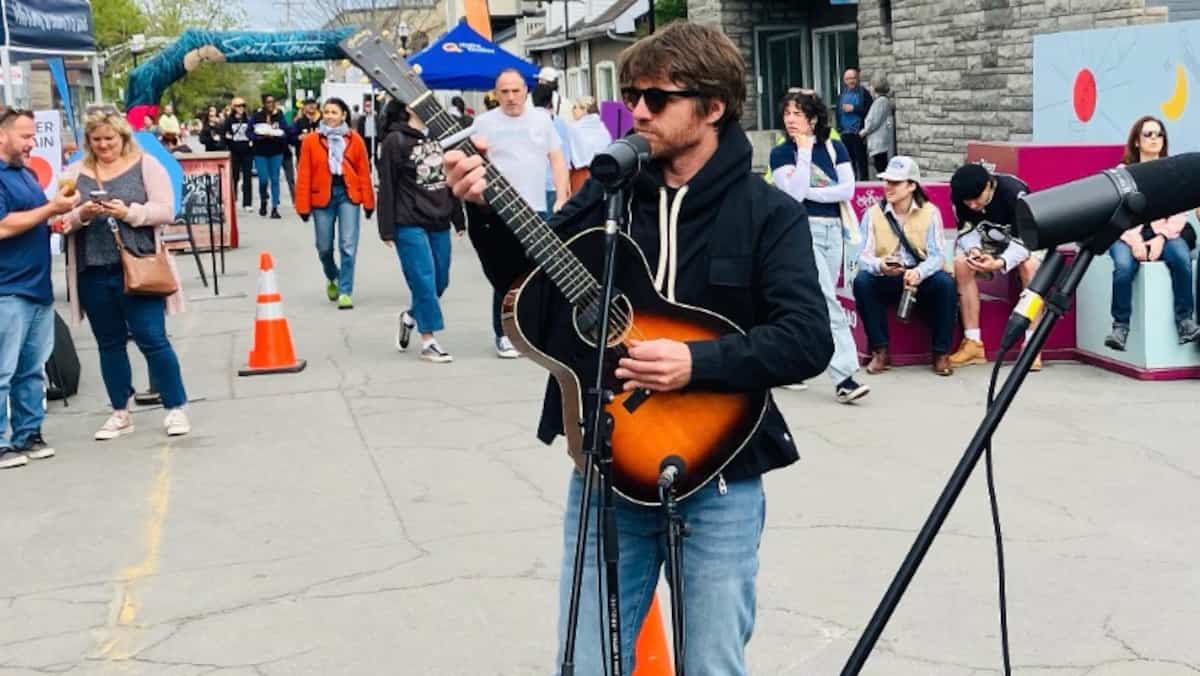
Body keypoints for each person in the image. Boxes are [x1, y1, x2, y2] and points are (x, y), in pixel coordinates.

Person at [445, 21, 832, 672]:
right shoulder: (609, 191)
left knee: (711, 665)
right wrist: (486, 209)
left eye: (658, 98)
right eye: (631, 97)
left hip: (722, 477)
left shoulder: (769, 214)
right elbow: (529, 287)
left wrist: (697, 362)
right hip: (605, 465)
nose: (639, 113)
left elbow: (807, 339)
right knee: (588, 661)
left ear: (713, 107)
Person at [59, 110, 192, 441]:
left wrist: (129, 212)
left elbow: (166, 209)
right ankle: (120, 410)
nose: (104, 145)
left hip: (139, 265)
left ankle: (175, 406)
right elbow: (60, 220)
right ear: (88, 142)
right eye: (97, 140)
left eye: (110, 139)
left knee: (153, 338)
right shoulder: (75, 172)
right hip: (93, 269)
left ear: (123, 138)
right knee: (109, 343)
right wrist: (82, 215)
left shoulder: (146, 165)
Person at [769, 90, 869, 402]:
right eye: (787, 113)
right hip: (802, 231)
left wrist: (815, 190)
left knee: (804, 302)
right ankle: (845, 378)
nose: (791, 120)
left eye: (797, 114)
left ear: (813, 118)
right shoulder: (781, 153)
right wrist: (803, 153)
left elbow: (847, 190)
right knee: (828, 301)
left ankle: (785, 363)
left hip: (834, 229)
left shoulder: (834, 146)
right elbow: (796, 194)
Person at [470, 67, 569, 359]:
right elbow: (475, 163)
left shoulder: (541, 119)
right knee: (506, 273)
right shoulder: (484, 123)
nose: (511, 97)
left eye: (516, 91)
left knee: (540, 273)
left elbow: (557, 159)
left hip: (537, 206)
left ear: (526, 91)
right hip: (501, 210)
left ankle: (536, 330)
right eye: (505, 92)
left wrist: (562, 195)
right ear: (496, 94)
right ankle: (503, 333)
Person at [0, 108, 78, 469]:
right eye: (25, 136)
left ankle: (28, 433)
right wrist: (49, 209)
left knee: (31, 369)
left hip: (37, 287)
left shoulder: (27, 174)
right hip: (8, 288)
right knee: (3, 369)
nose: (33, 143)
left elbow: (32, 218)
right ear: (2, 136)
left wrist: (54, 221)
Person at [852, 157, 958, 375]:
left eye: (895, 183)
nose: (888, 187)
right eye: (886, 181)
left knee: (945, 284)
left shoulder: (930, 212)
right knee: (862, 281)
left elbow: (938, 255)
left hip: (919, 276)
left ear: (911, 186)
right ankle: (880, 351)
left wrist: (919, 272)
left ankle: (941, 353)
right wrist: (881, 265)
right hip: (888, 276)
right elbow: (862, 257)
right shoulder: (872, 214)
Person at [377, 100, 465, 363]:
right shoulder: (395, 140)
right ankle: (429, 340)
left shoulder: (442, 136)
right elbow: (387, 184)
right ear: (409, 108)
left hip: (439, 216)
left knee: (440, 280)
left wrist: (458, 218)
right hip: (408, 220)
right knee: (423, 279)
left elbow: (451, 178)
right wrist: (387, 228)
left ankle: (411, 316)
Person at [1104, 116, 1200, 350]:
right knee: (1124, 267)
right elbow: (1114, 213)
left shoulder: (1172, 169)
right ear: (1136, 141)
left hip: (1164, 232)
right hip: (1126, 235)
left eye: (1159, 134)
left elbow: (1180, 213)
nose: (1155, 139)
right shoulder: (1122, 173)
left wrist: (1162, 238)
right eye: (1148, 134)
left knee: (1180, 258)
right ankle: (1120, 327)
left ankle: (1185, 322)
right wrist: (1134, 240)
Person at [948, 163, 1042, 370]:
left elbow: (1025, 241)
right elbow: (967, 230)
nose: (972, 205)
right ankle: (973, 342)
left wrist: (999, 263)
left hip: (1029, 238)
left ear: (990, 186)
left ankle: (1032, 345)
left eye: (977, 199)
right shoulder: (959, 196)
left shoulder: (1015, 194)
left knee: (1030, 267)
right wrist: (974, 251)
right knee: (961, 264)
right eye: (967, 201)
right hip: (990, 241)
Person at [295, 97, 375, 310]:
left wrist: (368, 202)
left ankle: (346, 290)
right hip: (321, 197)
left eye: (334, 112)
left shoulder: (354, 139)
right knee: (324, 247)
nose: (330, 116)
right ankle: (332, 276)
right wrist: (302, 206)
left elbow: (364, 172)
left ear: (344, 115)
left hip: (348, 195)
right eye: (327, 112)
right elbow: (304, 174)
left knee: (348, 245)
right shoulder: (312, 140)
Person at [249, 93, 290, 219]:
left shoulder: (279, 116)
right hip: (260, 152)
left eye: (273, 102)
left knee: (275, 179)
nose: (271, 104)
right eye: (268, 102)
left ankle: (274, 208)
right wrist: (259, 136)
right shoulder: (257, 116)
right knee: (263, 179)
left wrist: (278, 134)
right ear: (264, 103)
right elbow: (249, 132)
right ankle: (263, 201)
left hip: (276, 151)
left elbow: (286, 131)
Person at [533, 83, 572, 214]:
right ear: (551, 99)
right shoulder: (559, 123)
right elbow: (565, 156)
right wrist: (567, 187)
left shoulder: (527, 122)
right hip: (555, 184)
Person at [565, 95, 613, 194]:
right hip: (602, 173)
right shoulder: (602, 127)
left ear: (585, 110)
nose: (572, 110)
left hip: (580, 175)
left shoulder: (574, 129)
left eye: (575, 107)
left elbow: (568, 156)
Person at [836, 67, 873, 181]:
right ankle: (850, 183)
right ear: (844, 81)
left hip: (858, 133)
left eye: (853, 78)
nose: (850, 81)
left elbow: (870, 111)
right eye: (848, 79)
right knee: (848, 162)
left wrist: (854, 108)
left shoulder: (864, 93)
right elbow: (838, 112)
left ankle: (863, 184)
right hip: (845, 133)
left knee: (861, 162)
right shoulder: (842, 94)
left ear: (857, 79)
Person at [224, 97, 254, 212]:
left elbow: (252, 132)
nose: (241, 108)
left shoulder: (248, 119)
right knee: (234, 177)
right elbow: (224, 134)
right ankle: (233, 200)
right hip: (234, 151)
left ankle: (247, 203)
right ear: (233, 107)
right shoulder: (229, 120)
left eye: (242, 106)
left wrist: (252, 139)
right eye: (238, 106)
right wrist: (228, 139)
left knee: (247, 177)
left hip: (247, 151)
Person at [862, 77, 894, 177]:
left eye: (871, 86)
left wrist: (864, 131)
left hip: (879, 142)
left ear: (876, 87)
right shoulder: (882, 101)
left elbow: (874, 121)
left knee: (881, 167)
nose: (869, 88)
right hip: (880, 141)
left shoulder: (881, 101)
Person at [354, 97, 379, 163]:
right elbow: (359, 129)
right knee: (366, 155)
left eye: (369, 106)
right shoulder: (362, 117)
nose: (368, 107)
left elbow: (379, 126)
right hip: (365, 138)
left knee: (374, 154)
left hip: (374, 138)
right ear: (364, 107)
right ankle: (368, 168)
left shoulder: (376, 116)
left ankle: (377, 168)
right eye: (367, 106)